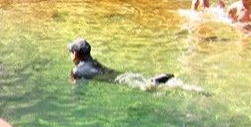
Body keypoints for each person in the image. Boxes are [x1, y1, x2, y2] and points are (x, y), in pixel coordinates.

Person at [67, 38, 204, 92]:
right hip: (119, 74)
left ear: (76, 54)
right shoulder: (94, 62)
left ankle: (153, 82)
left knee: (141, 88)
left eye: (71, 52)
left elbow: (76, 88)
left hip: (114, 81)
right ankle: (154, 80)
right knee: (129, 78)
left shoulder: (76, 71)